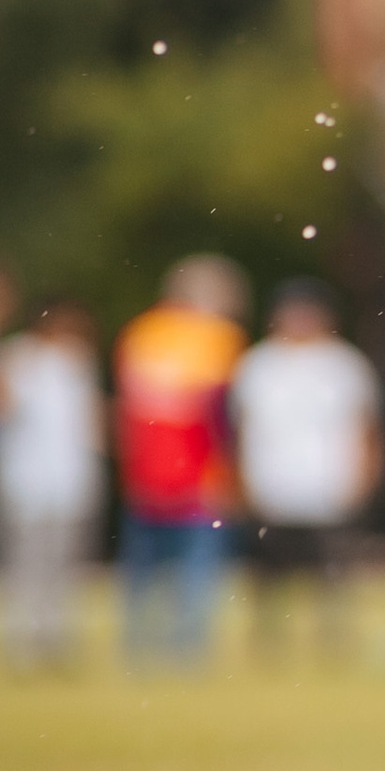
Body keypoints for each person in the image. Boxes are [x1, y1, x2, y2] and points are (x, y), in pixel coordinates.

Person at [231, 281, 384, 657]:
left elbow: (367, 428)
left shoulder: (344, 365)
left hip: (329, 485)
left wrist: (364, 478)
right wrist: (241, 483)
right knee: (269, 577)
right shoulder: (258, 365)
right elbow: (241, 430)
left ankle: (334, 644)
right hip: (273, 486)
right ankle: (269, 645)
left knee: (332, 576)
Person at [114, 254, 249, 663]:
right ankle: (186, 653)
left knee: (142, 572)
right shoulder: (218, 339)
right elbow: (222, 420)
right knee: (196, 571)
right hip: (200, 478)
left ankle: (137, 649)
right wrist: (236, 475)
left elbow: (128, 412)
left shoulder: (140, 334)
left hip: (144, 475)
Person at [1, 296, 105, 667]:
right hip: (28, 481)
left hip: (70, 480)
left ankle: (56, 638)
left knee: (65, 565)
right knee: (28, 563)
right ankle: (26, 640)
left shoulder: (76, 361)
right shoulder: (17, 357)